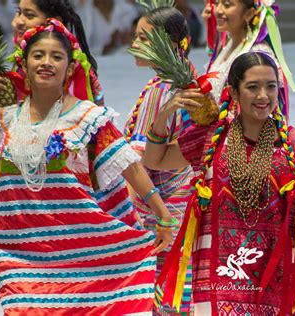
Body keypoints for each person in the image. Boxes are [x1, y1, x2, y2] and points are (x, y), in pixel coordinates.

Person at [143, 51, 295, 315]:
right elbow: (155, 160)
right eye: (252, 87)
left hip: (275, 271)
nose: (263, 96)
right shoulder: (211, 139)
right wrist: (163, 115)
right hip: (221, 272)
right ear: (233, 92)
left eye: (271, 86)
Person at [0, 19, 173, 314]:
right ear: (23, 65)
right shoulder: (3, 121)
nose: (46, 62)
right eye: (38, 55)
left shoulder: (87, 118)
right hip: (20, 255)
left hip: (84, 256)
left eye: (56, 56)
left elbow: (130, 166)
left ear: (69, 68)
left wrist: (163, 215)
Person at [124, 5, 194, 315]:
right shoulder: (177, 84)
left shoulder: (166, 91)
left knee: (171, 297)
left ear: (169, 44)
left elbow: (147, 163)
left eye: (143, 38)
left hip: (165, 209)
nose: (134, 45)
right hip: (173, 205)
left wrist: (156, 214)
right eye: (135, 36)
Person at [0, 0, 104, 106]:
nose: (18, 21)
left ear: (54, 21)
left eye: (29, 15)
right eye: (18, 12)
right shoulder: (20, 60)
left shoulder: (72, 68)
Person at [201, 0, 295, 117]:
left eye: (227, 5)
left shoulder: (257, 54)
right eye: (216, 3)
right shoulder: (228, 45)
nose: (218, 10)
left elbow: (264, 108)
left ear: (249, 14)